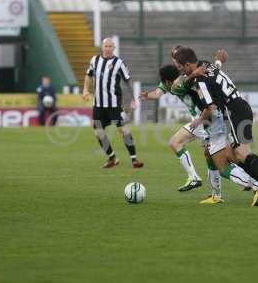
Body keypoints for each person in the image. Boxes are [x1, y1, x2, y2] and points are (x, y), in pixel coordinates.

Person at [175, 47, 258, 207]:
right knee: (231, 154)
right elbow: (213, 75)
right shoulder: (207, 65)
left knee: (241, 154)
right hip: (240, 107)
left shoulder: (200, 81)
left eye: (180, 66)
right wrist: (218, 61)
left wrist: (197, 121)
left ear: (187, 64)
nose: (180, 70)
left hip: (232, 112)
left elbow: (210, 107)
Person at [140, 46, 228, 194]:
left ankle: (234, 182)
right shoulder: (177, 79)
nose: (175, 61)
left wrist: (216, 63)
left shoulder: (183, 76)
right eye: (173, 58)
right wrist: (147, 96)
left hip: (203, 119)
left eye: (177, 58)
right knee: (209, 154)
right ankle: (213, 188)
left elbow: (208, 73)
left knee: (213, 154)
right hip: (201, 119)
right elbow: (162, 91)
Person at [82, 37, 144, 169]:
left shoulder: (119, 63)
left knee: (124, 130)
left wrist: (133, 99)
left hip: (114, 105)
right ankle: (112, 158)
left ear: (114, 48)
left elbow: (128, 81)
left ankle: (134, 159)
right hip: (98, 105)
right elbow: (88, 75)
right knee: (98, 132)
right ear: (102, 47)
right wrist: (85, 90)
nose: (108, 48)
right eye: (106, 46)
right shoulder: (95, 60)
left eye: (111, 46)